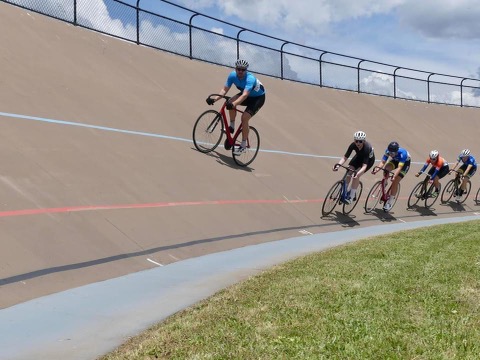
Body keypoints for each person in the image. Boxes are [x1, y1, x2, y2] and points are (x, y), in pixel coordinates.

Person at [206, 59, 266, 155]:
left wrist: (233, 104)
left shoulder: (250, 78)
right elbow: (224, 90)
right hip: (246, 95)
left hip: (257, 98)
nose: (240, 71)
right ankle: (232, 126)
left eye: (243, 70)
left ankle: (243, 145)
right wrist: (214, 99)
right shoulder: (232, 76)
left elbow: (244, 95)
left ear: (246, 70)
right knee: (229, 101)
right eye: (239, 69)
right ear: (235, 69)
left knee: (244, 118)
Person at [333, 130, 375, 204]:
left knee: (356, 176)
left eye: (360, 141)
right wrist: (338, 165)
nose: (358, 143)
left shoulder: (367, 148)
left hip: (368, 162)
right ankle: (344, 192)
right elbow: (345, 157)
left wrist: (357, 174)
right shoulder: (353, 145)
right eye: (356, 141)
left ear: (364, 141)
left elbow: (364, 166)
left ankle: (351, 197)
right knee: (349, 172)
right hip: (358, 157)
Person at [372, 141, 411, 212]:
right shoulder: (388, 151)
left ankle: (390, 202)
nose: (390, 154)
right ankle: (385, 182)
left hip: (404, 164)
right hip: (395, 161)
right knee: (386, 169)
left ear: (396, 151)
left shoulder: (403, 154)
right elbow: (383, 162)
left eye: (392, 153)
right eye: (390, 153)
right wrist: (377, 169)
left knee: (395, 181)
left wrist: (394, 176)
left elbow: (399, 167)